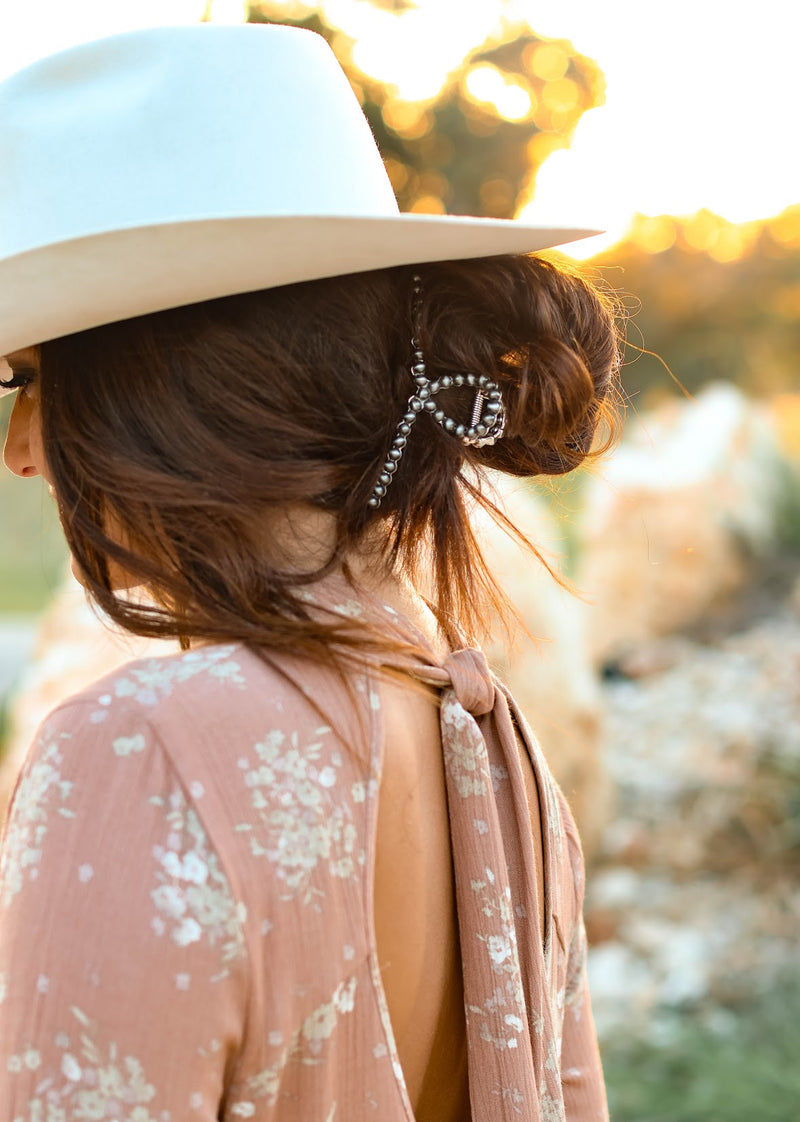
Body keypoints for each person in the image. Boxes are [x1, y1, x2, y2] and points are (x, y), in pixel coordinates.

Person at [0, 23, 620, 1122]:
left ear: (168, 390)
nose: (21, 449)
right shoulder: (498, 746)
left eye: (38, 381)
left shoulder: (145, 752)